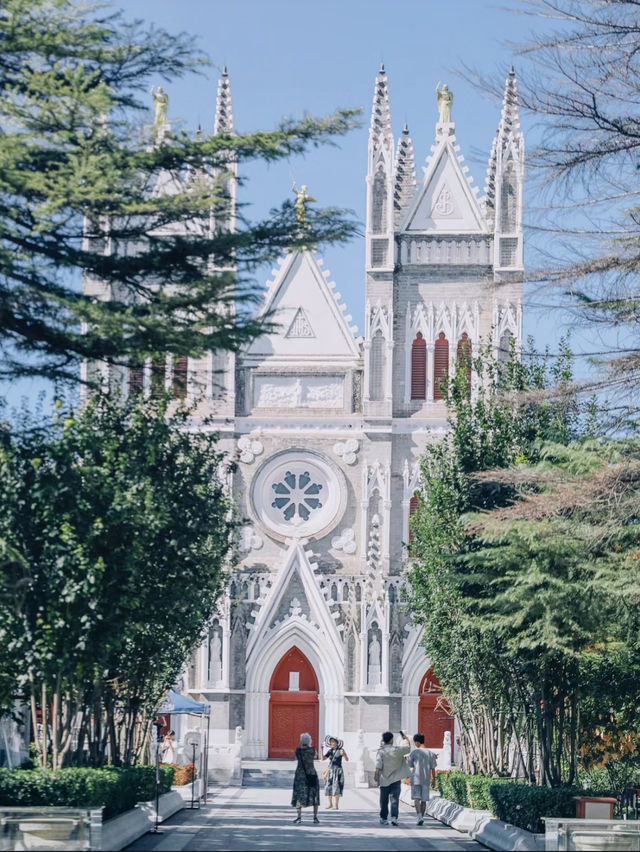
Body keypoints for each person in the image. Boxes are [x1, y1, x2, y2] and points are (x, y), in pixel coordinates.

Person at [374, 731, 410, 826]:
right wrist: (406, 738)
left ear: (383, 740)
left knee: (384, 800)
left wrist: (376, 776)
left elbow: (378, 765)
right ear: (391, 740)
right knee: (394, 800)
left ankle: (383, 818)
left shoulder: (381, 751)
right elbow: (408, 748)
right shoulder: (398, 750)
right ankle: (394, 818)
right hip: (396, 779)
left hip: (384, 779)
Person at [406, 733, 438, 825]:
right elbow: (433, 768)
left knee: (416, 798)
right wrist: (434, 779)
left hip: (416, 778)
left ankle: (419, 816)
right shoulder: (430, 753)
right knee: (423, 800)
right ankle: (422, 817)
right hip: (426, 779)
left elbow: (410, 765)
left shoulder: (414, 752)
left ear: (417, 742)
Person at [291, 732, 320, 824]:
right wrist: (309, 745)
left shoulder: (298, 750)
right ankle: (315, 817)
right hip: (311, 773)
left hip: (300, 775)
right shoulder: (312, 750)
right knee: (314, 795)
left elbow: (296, 756)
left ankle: (299, 817)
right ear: (309, 741)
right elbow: (315, 756)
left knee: (299, 795)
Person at [322, 736, 349, 810]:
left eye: (333, 742)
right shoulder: (330, 751)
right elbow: (323, 758)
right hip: (330, 770)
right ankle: (330, 804)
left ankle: (336, 805)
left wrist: (344, 754)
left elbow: (347, 759)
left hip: (338, 770)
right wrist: (322, 750)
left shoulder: (341, 750)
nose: (332, 743)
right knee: (329, 786)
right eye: (331, 742)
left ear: (337, 743)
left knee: (336, 787)